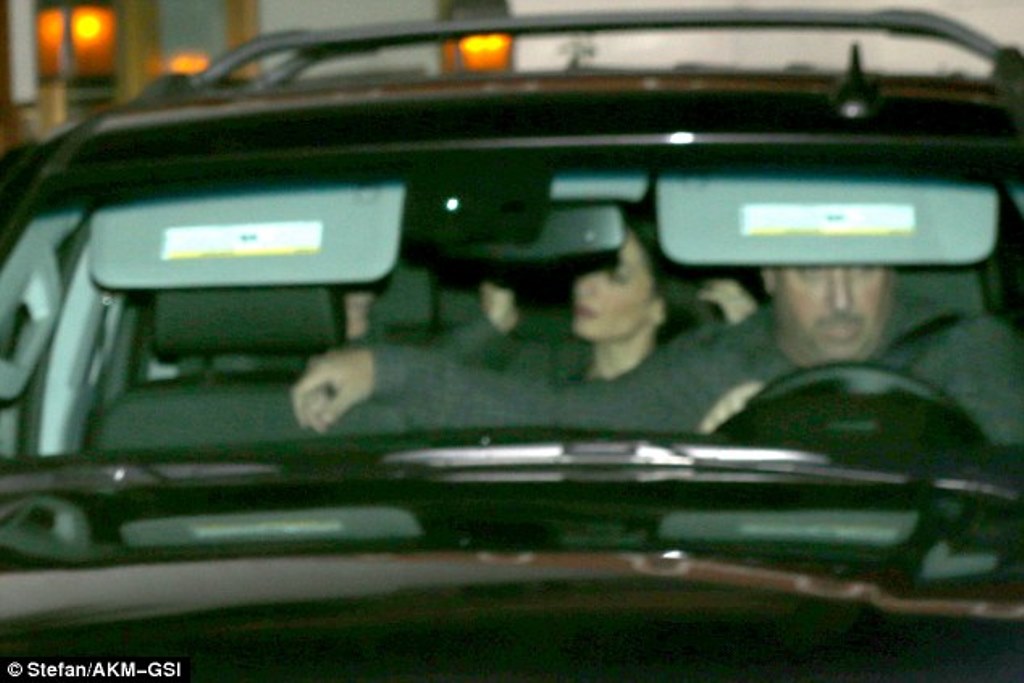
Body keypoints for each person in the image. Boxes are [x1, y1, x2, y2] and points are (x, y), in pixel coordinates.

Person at [291, 265, 1024, 445]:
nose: (839, 301)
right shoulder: (715, 364)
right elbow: (560, 418)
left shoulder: (971, 350)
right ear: (769, 276)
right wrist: (386, 369)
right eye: (811, 272)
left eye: (861, 271)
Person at [445, 224, 721, 384]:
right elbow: (430, 388)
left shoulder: (685, 391)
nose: (584, 286)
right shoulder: (543, 375)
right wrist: (491, 326)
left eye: (616, 277)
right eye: (587, 268)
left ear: (658, 307)